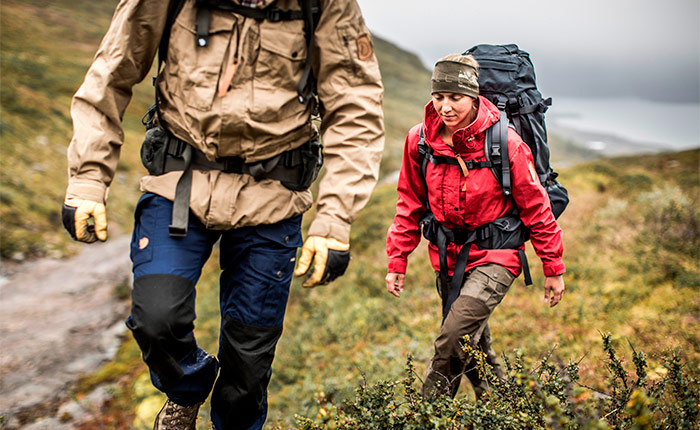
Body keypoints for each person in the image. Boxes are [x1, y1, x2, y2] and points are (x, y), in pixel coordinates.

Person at [61, 0, 384, 428]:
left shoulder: (325, 5)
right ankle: (188, 387)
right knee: (157, 320)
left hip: (275, 198)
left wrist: (334, 220)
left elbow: (356, 110)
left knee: (248, 367)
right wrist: (87, 180)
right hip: (177, 185)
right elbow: (111, 73)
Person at [385, 54, 565, 399]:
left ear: (473, 96)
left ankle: (427, 414)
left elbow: (537, 207)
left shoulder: (505, 142)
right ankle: (504, 408)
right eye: (439, 96)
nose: (445, 107)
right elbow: (409, 202)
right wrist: (398, 260)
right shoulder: (420, 140)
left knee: (452, 338)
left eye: (455, 97)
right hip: (447, 257)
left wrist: (553, 267)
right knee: (474, 346)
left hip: (497, 255)